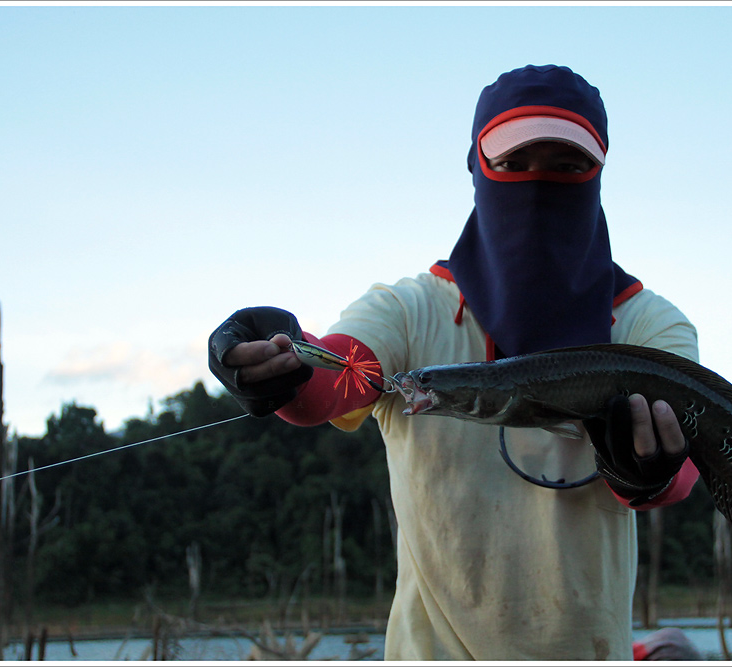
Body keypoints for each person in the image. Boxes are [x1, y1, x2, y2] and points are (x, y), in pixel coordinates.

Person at [209, 64, 700, 661]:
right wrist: (280, 362)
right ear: (476, 168)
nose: (537, 183)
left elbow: (685, 472)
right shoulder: (409, 310)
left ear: (598, 174)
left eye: (567, 166)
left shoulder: (650, 326)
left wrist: (647, 471)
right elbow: (332, 382)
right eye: (513, 163)